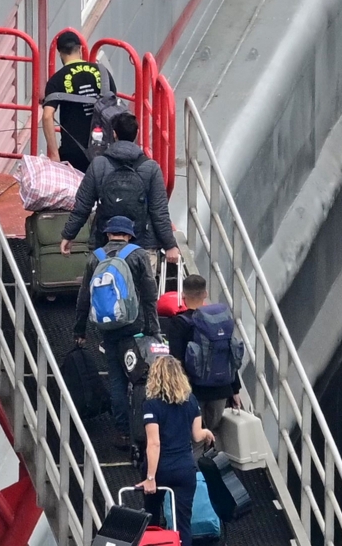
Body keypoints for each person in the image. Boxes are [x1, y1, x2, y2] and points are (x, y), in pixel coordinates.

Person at [75, 215, 160, 450]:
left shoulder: (96, 257)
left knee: (117, 381)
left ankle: (123, 433)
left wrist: (79, 330)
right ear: (130, 235)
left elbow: (84, 297)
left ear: (107, 234)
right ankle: (145, 430)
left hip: (109, 327)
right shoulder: (138, 255)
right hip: (136, 328)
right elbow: (150, 295)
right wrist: (154, 328)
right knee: (142, 378)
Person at [60, 112, 179, 268]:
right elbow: (159, 212)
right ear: (136, 134)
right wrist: (170, 245)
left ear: (114, 134)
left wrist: (68, 235)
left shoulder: (98, 165)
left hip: (104, 246)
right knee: (142, 291)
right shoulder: (151, 168)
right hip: (142, 245)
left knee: (105, 289)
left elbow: (82, 206)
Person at [138, 355, 216, 546]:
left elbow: (154, 443)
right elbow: (197, 435)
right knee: (183, 525)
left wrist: (150, 478)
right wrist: (207, 432)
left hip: (161, 469)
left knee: (152, 520)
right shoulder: (191, 401)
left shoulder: (151, 405)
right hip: (184, 469)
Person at [164, 274, 242, 458]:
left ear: (183, 296)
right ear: (205, 294)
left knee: (194, 438)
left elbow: (176, 361)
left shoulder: (178, 323)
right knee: (211, 432)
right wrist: (235, 389)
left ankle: (195, 479)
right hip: (221, 389)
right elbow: (229, 354)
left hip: (193, 390)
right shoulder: (221, 321)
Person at [41, 30, 117, 172]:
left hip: (74, 153)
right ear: (80, 49)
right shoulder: (103, 72)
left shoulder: (57, 79)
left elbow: (47, 116)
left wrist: (54, 154)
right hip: (104, 150)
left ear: (60, 53)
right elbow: (114, 109)